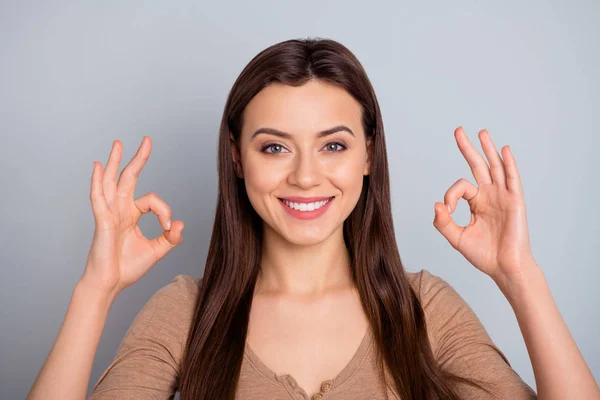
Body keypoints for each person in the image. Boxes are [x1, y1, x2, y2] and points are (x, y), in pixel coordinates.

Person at [27, 38, 599, 400]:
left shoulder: (425, 309)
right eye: (275, 147)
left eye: (333, 146)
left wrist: (520, 276)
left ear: (370, 154)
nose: (305, 176)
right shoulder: (186, 314)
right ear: (236, 156)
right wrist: (95, 290)